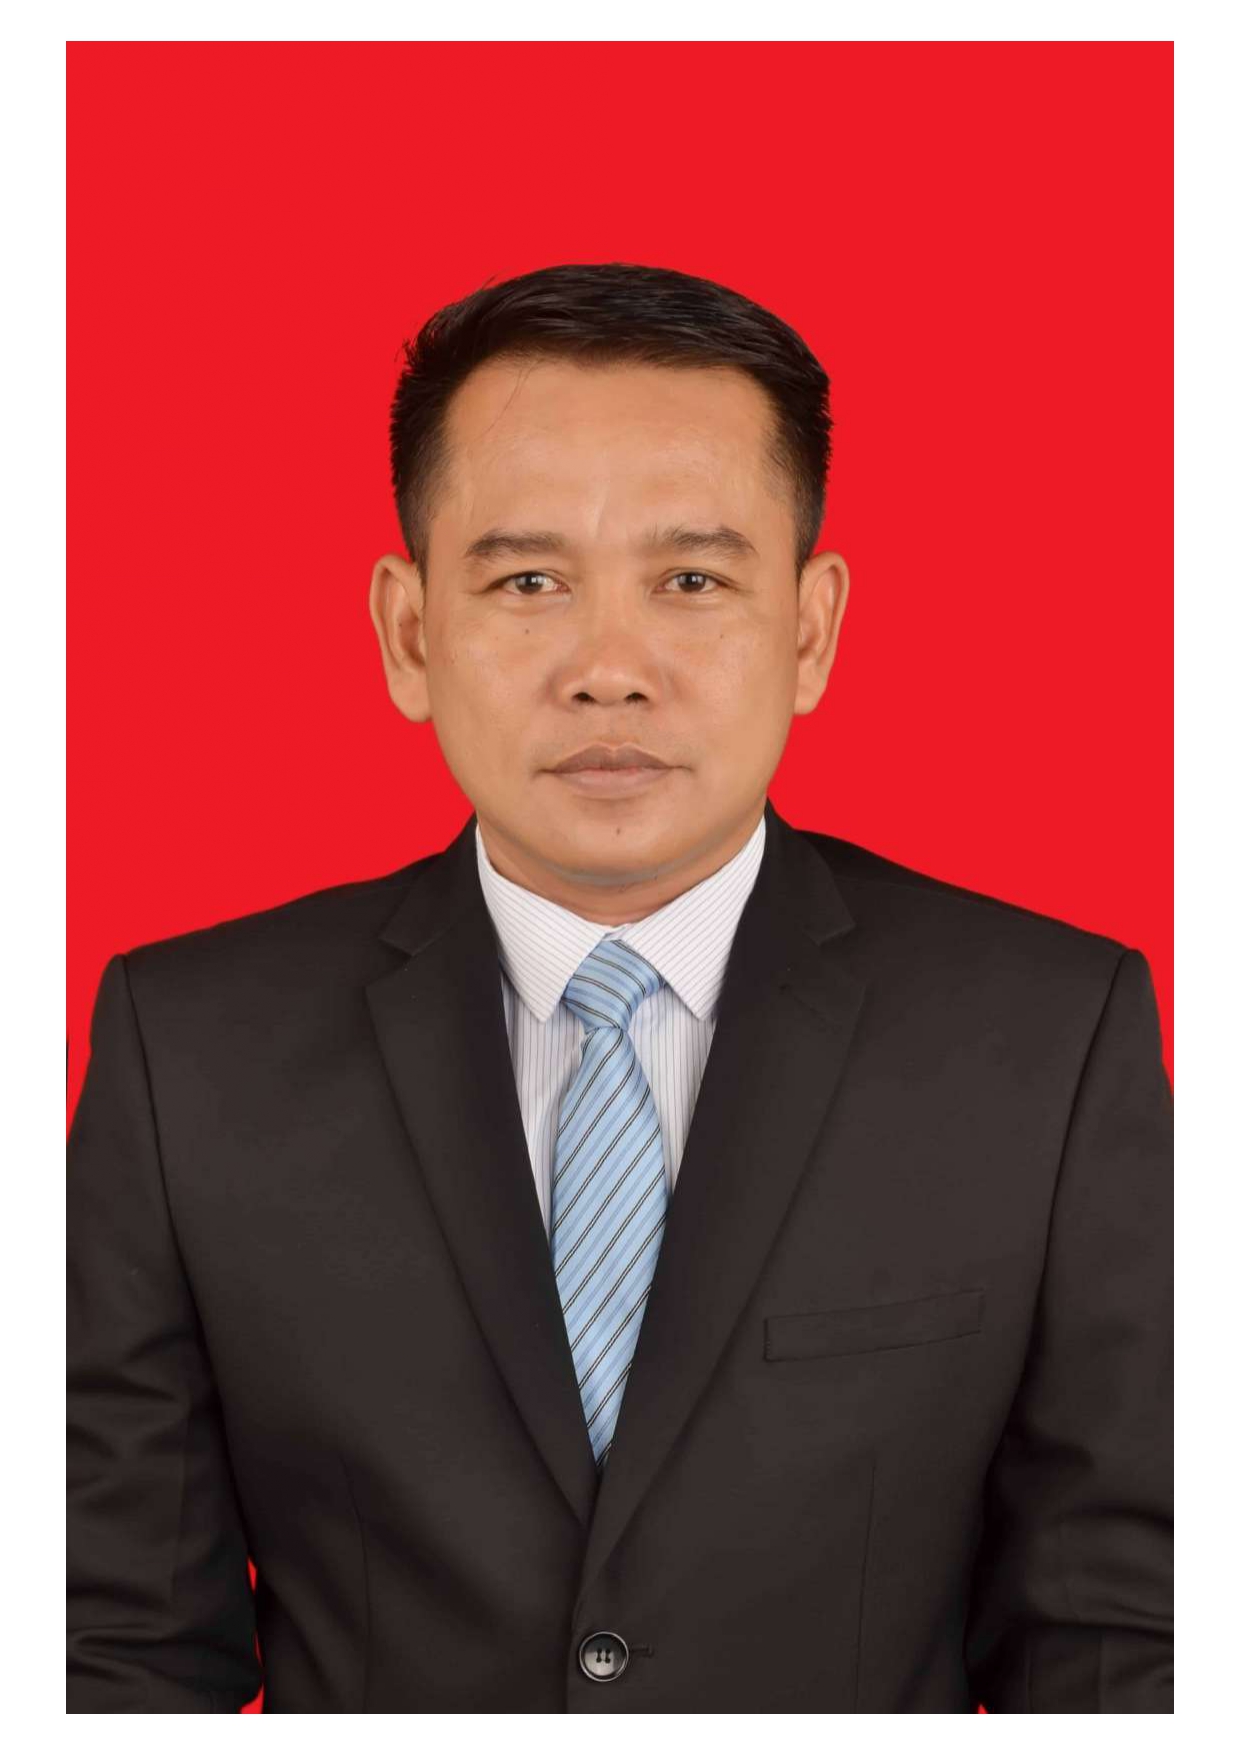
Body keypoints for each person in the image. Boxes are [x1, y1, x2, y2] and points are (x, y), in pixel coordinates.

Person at [66, 261, 1173, 1713]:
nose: (609, 670)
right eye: (528, 581)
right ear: (409, 632)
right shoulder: (191, 1051)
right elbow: (109, 1650)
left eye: (692, 580)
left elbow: (1122, 1646)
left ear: (810, 628)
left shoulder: (1045, 1040)